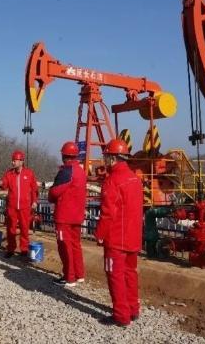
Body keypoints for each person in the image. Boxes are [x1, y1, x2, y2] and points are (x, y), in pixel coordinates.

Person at [95, 138, 143, 327]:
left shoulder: (112, 181)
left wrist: (100, 234)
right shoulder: (135, 179)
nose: (105, 160)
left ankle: (121, 315)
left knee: (115, 275)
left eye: (106, 157)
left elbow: (107, 213)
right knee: (130, 273)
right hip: (133, 237)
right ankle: (133, 309)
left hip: (116, 238)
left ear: (113, 158)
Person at [48, 141, 87, 287]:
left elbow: (54, 192)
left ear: (64, 155)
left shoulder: (66, 171)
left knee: (65, 246)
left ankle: (69, 277)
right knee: (75, 245)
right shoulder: (81, 171)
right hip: (77, 215)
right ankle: (79, 274)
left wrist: (50, 194)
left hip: (64, 216)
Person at [0, 150, 38, 258]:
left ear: (21, 161)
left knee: (24, 228)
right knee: (11, 228)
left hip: (25, 206)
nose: (13, 162)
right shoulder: (9, 173)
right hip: (12, 206)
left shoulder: (29, 173)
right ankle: (11, 248)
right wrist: (1, 184)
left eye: (15, 160)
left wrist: (34, 201)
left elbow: (34, 189)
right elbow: (4, 185)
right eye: (12, 160)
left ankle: (24, 249)